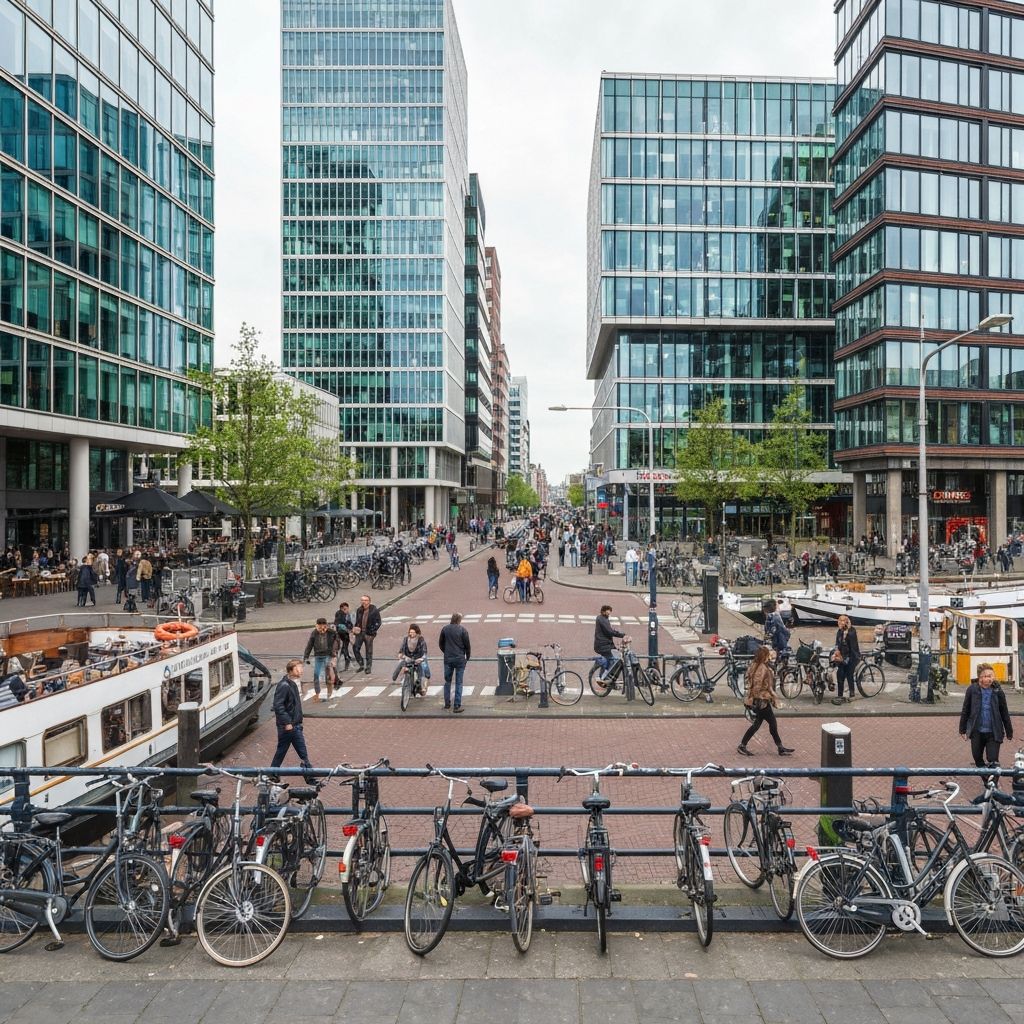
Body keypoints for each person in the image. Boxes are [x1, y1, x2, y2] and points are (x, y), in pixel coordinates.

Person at [738, 647, 794, 757]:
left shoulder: (754, 665)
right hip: (762, 700)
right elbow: (757, 685)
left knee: (759, 724)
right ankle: (779, 747)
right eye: (767, 654)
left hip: (761, 699)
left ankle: (779, 747)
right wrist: (759, 698)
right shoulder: (762, 668)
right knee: (770, 723)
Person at [959, 663, 1014, 768]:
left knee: (993, 760)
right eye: (985, 676)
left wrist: (1009, 731)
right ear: (980, 677)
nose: (988, 679)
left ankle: (993, 782)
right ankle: (988, 781)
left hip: (993, 731)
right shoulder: (972, 690)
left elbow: (1004, 712)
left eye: (990, 676)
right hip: (976, 731)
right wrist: (962, 729)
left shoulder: (998, 691)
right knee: (977, 758)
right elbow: (966, 709)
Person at [271, 659, 314, 780]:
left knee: (291, 752)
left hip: (294, 726)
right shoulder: (284, 685)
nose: (301, 670)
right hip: (289, 727)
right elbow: (278, 705)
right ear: (291, 670)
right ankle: (309, 776)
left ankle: (273, 774)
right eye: (298, 668)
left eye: (301, 668)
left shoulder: (292, 683)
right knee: (293, 752)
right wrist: (288, 722)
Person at [438, 612, 471, 713]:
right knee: (459, 682)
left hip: (448, 659)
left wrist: (446, 651)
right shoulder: (463, 630)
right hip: (460, 659)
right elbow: (467, 646)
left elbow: (440, 643)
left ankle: (447, 704)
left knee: (447, 681)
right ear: (459, 620)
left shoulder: (445, 629)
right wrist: (467, 658)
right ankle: (456, 706)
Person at [303, 617, 338, 701]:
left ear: (326, 625)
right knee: (316, 675)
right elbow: (310, 644)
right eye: (320, 625)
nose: (322, 627)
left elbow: (337, 641)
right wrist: (306, 656)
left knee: (328, 676)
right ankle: (318, 694)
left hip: (328, 655)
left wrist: (334, 653)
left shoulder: (331, 632)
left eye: (323, 624)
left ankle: (330, 694)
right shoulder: (314, 633)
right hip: (318, 656)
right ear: (317, 625)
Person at [831, 614, 860, 705]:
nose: (839, 623)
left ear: (846, 622)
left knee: (849, 675)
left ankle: (852, 694)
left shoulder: (852, 632)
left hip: (852, 657)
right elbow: (837, 644)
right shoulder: (839, 632)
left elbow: (853, 648)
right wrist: (836, 652)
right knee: (840, 675)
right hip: (842, 656)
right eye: (839, 621)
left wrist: (847, 660)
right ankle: (840, 695)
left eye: (842, 621)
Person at [593, 604, 628, 678]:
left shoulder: (603, 619)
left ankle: (603, 677)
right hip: (603, 645)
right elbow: (609, 631)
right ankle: (605, 678)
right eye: (608, 611)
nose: (609, 613)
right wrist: (622, 635)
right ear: (603, 611)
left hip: (604, 645)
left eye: (610, 611)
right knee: (613, 661)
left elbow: (609, 630)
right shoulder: (602, 619)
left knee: (608, 660)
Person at [393, 623, 428, 695]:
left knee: (421, 670)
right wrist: (400, 653)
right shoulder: (406, 638)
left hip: (417, 659)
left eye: (413, 632)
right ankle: (395, 677)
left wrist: (421, 658)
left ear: (417, 632)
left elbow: (424, 650)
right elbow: (402, 647)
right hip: (408, 658)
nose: (411, 634)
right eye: (410, 632)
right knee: (401, 664)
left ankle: (421, 686)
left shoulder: (421, 639)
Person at [351, 593, 381, 675]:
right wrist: (356, 628)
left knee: (369, 650)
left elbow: (378, 622)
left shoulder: (374, 610)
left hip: (369, 633)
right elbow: (357, 621)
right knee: (355, 648)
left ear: (369, 601)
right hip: (360, 633)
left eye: (366, 600)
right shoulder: (359, 610)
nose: (364, 602)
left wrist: (372, 630)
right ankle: (361, 664)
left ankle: (368, 667)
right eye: (362, 600)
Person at [333, 601, 354, 671]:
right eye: (346, 609)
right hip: (343, 632)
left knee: (345, 645)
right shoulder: (341, 615)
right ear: (343, 609)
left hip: (341, 632)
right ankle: (346, 657)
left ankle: (345, 654)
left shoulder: (339, 613)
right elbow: (339, 623)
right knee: (345, 644)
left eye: (347, 608)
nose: (347, 610)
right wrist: (348, 630)